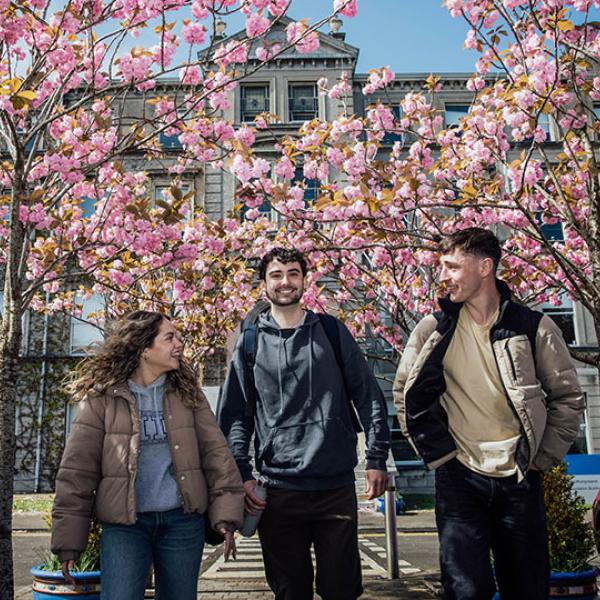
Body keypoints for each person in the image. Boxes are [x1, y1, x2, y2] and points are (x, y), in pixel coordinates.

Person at [393, 227, 584, 600]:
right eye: (442, 267)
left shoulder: (533, 328)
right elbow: (404, 393)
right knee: (465, 589)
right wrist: (440, 455)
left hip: (519, 477)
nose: (442, 276)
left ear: (484, 267)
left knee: (527, 587)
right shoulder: (433, 329)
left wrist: (541, 459)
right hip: (459, 477)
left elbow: (567, 397)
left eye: (451, 267)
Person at [218, 247, 390, 600]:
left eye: (293, 273)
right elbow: (236, 415)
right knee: (290, 591)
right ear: (264, 283)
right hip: (278, 489)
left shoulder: (330, 331)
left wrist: (376, 458)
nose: (286, 282)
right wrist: (243, 474)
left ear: (304, 280)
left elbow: (368, 395)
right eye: (277, 275)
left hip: (335, 486)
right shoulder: (250, 342)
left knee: (340, 589)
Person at [51, 310, 245, 600]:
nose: (179, 343)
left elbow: (216, 454)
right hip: (125, 526)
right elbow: (77, 471)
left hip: (182, 522)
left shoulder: (187, 393)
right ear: (144, 348)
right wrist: (69, 541)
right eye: (170, 338)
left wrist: (226, 517)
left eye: (179, 337)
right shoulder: (103, 397)